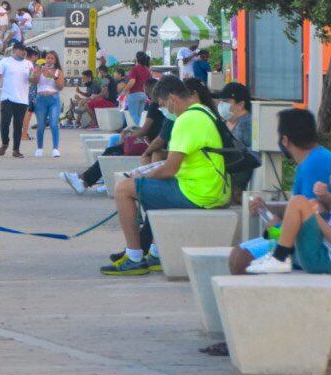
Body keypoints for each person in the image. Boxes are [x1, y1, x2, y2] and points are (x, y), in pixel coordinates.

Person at [101, 75, 229, 276]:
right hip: (209, 187)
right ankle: (156, 252)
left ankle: (134, 257)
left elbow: (170, 168)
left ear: (172, 98)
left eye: (162, 104)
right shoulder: (203, 112)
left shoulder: (186, 120)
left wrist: (140, 179)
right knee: (152, 187)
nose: (165, 110)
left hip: (197, 192)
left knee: (123, 189)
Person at [237, 152, 331, 275]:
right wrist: (324, 196)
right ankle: (278, 242)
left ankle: (279, 257)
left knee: (298, 201)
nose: (330, 177)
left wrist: (315, 216)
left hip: (326, 261)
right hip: (321, 254)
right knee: (306, 203)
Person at [62, 79, 161, 194]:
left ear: (147, 89)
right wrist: (129, 131)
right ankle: (86, 179)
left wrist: (129, 137)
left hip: (150, 145)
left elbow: (145, 130)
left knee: (113, 150)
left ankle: (86, 180)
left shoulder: (155, 105)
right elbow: (148, 129)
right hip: (149, 142)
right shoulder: (157, 105)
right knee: (114, 144)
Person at [0, 40, 33, 157]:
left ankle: (16, 150)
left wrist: (36, 75)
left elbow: (32, 79)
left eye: (25, 50)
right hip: (7, 98)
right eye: (21, 50)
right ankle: (5, 143)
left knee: (18, 125)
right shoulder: (5, 61)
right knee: (5, 122)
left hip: (22, 99)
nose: (24, 52)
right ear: (14, 50)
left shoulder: (28, 64)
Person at [33, 50, 65, 158]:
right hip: (41, 99)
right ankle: (39, 148)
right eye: (48, 58)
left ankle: (55, 148)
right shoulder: (40, 68)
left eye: (52, 58)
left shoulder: (58, 71)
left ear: (55, 60)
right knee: (41, 125)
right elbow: (34, 81)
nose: (50, 60)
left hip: (53, 99)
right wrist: (37, 71)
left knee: (53, 124)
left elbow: (60, 87)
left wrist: (53, 75)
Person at [123, 51, 152, 126]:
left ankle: (144, 129)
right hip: (144, 95)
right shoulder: (147, 70)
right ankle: (142, 132)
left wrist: (124, 90)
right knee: (139, 116)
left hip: (134, 95)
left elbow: (132, 81)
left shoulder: (135, 69)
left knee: (134, 115)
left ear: (136, 58)